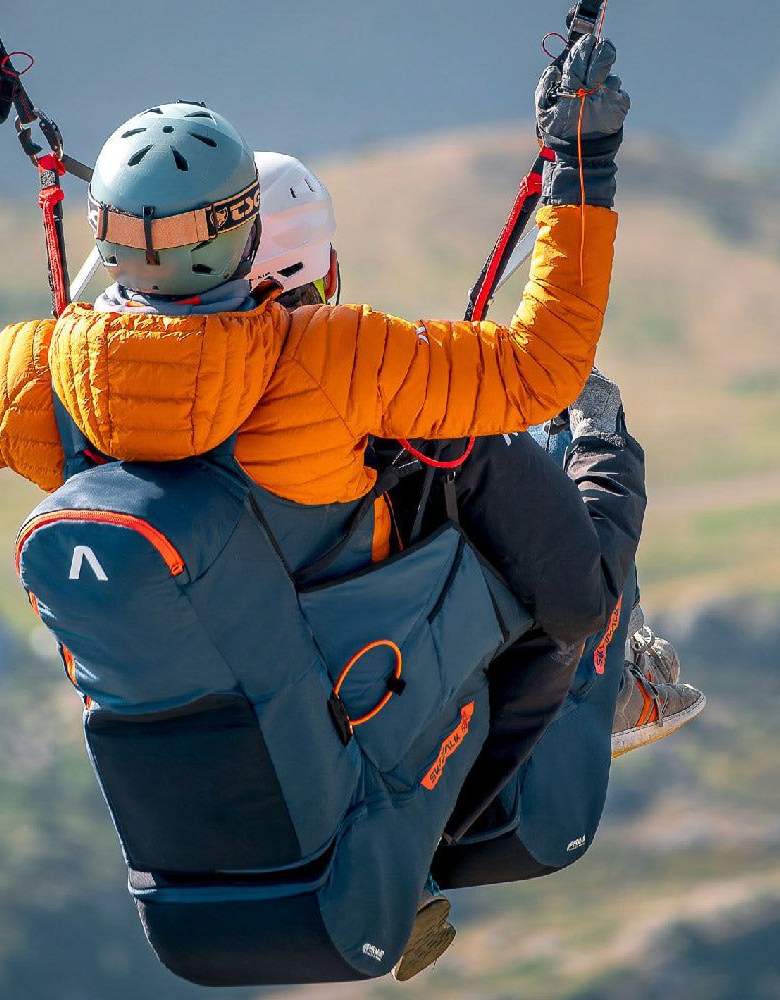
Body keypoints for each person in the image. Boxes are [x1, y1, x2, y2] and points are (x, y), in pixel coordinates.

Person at [0, 34, 644, 982]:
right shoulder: (328, 356)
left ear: (105, 240)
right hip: (384, 687)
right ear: (246, 236)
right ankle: (617, 665)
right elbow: (540, 369)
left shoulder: (37, 378)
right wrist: (581, 165)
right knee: (562, 471)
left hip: (261, 733)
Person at [246, 152, 705, 979]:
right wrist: (606, 441)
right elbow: (581, 590)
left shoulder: (151, 432)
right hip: (465, 766)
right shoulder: (406, 424)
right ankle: (619, 682)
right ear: (324, 274)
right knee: (561, 476)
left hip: (290, 753)